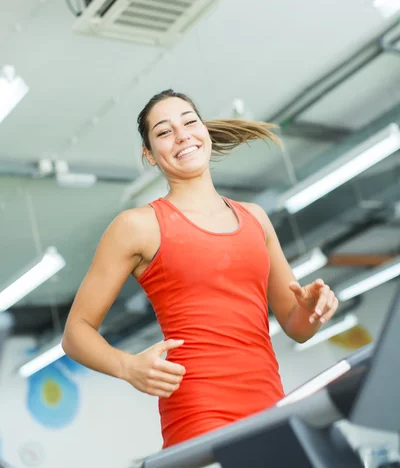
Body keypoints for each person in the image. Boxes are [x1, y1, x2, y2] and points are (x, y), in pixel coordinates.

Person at [62, 89, 339, 449]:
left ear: (204, 131)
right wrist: (127, 367)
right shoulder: (137, 226)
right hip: (198, 408)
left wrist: (312, 311)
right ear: (149, 155)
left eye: (189, 122)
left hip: (270, 401)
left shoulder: (255, 218)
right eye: (163, 132)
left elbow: (295, 326)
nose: (181, 135)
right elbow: (75, 333)